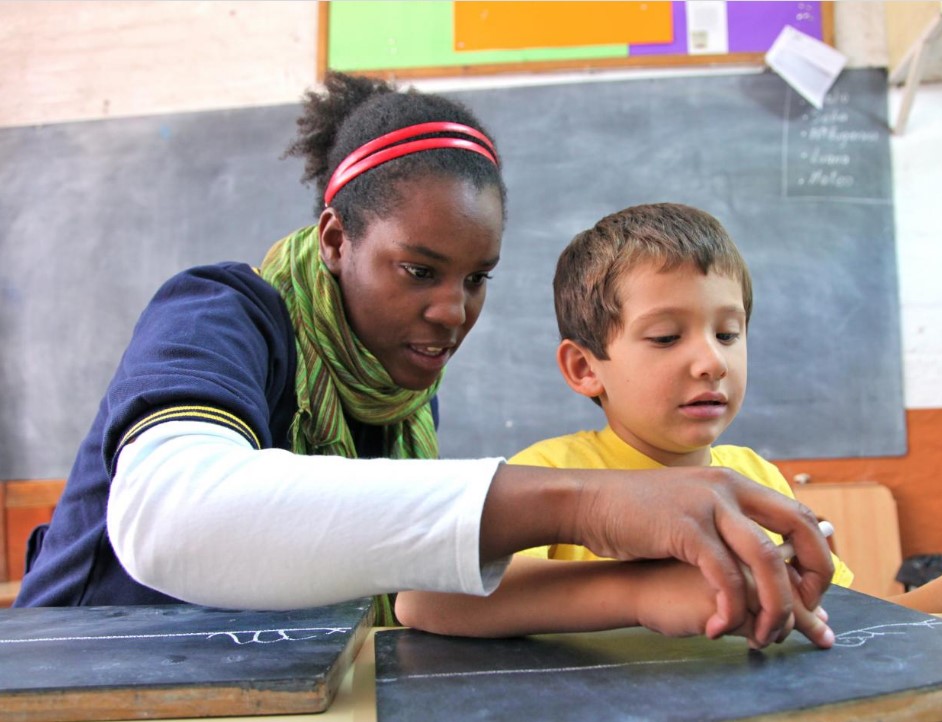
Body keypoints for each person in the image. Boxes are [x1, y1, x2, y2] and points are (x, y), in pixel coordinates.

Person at [14, 75, 833, 649]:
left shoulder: (399, 398)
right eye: (419, 270)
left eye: (477, 279)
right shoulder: (219, 315)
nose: (453, 311)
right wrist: (588, 505)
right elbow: (173, 518)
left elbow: (393, 582)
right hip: (93, 681)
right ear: (337, 239)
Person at [396, 203, 942, 645]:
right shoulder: (548, 477)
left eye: (727, 332)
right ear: (583, 367)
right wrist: (641, 590)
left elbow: (841, 622)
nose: (710, 362)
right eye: (665, 337)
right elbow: (423, 604)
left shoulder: (753, 479)